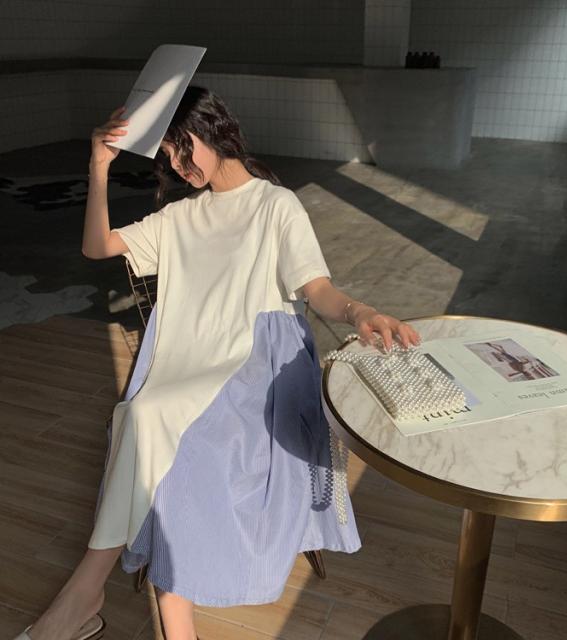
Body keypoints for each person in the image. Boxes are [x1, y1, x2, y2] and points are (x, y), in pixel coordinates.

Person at [15, 86, 421, 640]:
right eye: (167, 158)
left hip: (258, 369)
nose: (178, 167)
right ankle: (119, 612)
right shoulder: (181, 216)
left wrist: (360, 312)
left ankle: (84, 600)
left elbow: (316, 288)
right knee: (148, 419)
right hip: (187, 362)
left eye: (181, 149)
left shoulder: (276, 205)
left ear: (211, 129)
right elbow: (98, 246)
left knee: (153, 426)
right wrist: (99, 166)